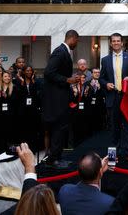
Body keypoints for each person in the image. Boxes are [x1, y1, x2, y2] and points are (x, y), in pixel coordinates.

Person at [99, 33, 128, 163]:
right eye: (114, 41)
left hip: (126, 97)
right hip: (113, 97)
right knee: (113, 129)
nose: (116, 43)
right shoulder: (105, 60)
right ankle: (112, 157)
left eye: (118, 41)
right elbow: (101, 78)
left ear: (122, 43)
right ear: (111, 44)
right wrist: (106, 84)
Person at [42, 29, 80, 168]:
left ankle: (58, 156)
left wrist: (69, 80)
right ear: (72, 38)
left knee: (62, 128)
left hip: (61, 97)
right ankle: (52, 160)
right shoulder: (60, 51)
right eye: (77, 41)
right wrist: (67, 80)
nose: (77, 43)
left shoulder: (64, 51)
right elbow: (48, 72)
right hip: (56, 99)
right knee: (59, 128)